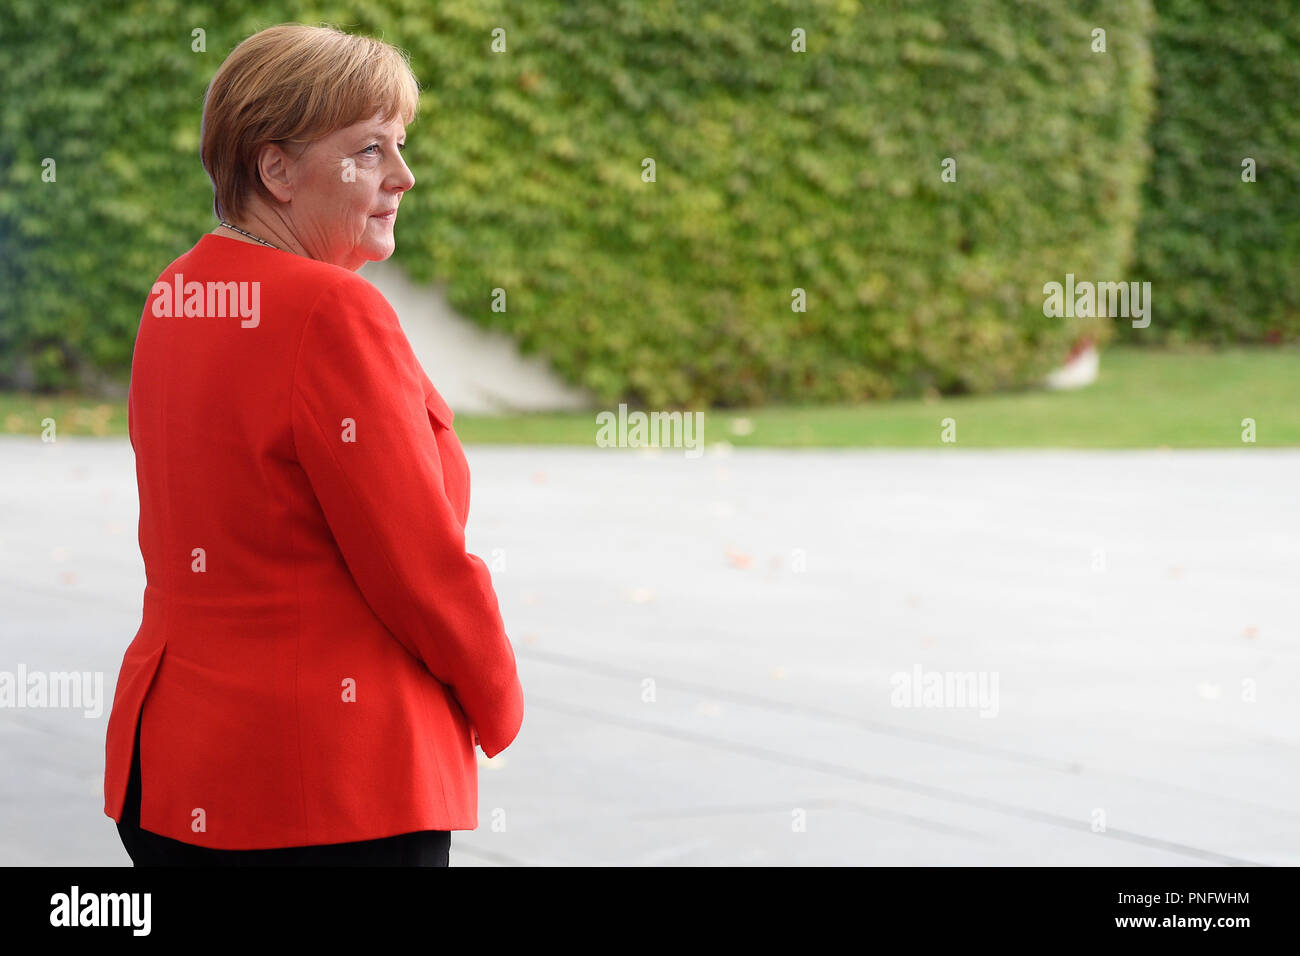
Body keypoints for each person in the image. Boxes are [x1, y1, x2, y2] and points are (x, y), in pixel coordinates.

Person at [102, 23, 525, 866]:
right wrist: (498, 699)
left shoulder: (176, 294)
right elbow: (416, 564)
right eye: (369, 151)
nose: (403, 178)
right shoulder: (330, 312)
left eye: (400, 147)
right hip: (327, 790)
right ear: (276, 168)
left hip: (179, 769)